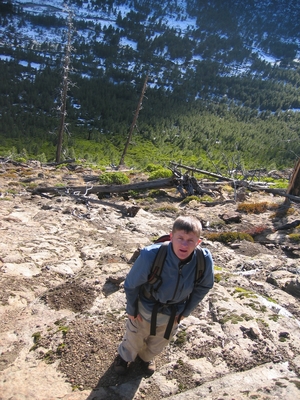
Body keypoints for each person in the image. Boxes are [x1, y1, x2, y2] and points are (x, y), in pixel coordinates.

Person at [114, 215, 214, 375]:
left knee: (159, 341)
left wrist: (185, 311)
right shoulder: (151, 255)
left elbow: (204, 286)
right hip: (144, 309)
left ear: (198, 242)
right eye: (180, 238)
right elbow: (131, 285)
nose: (184, 244)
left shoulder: (204, 260)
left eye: (190, 240)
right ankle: (125, 356)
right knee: (134, 336)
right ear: (171, 236)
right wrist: (132, 309)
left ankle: (146, 358)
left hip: (173, 314)